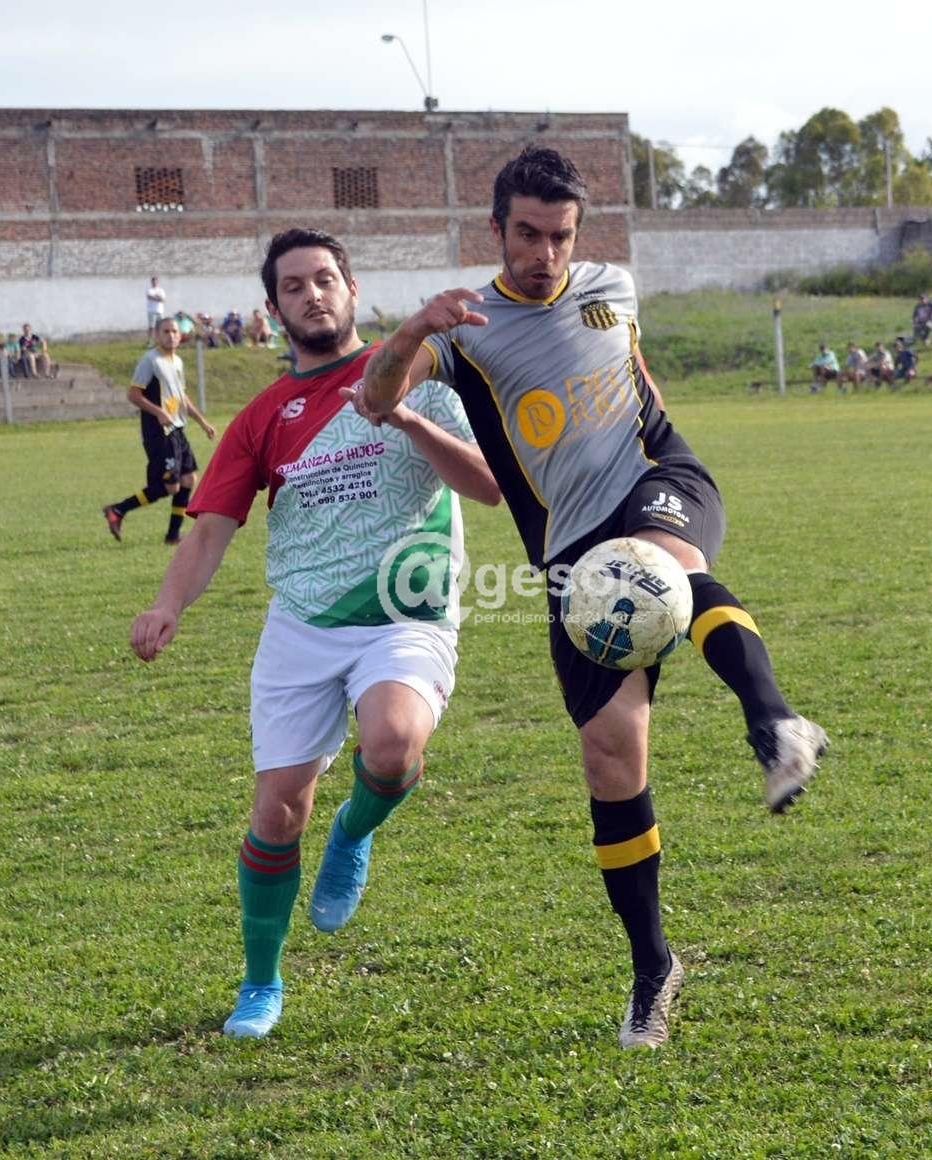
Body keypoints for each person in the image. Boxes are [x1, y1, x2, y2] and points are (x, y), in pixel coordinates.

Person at [348, 147, 828, 1051]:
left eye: (561, 234)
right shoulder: (463, 331)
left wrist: (670, 449)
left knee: (665, 568)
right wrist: (415, 327)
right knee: (614, 756)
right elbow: (375, 400)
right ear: (495, 229)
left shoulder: (614, 283)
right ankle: (654, 970)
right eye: (527, 234)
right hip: (569, 551)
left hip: (658, 476)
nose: (545, 252)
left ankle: (778, 724)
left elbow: (636, 374)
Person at [129, 227, 500, 1041]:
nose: (312, 294)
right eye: (293, 286)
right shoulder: (265, 415)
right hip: (301, 626)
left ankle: (354, 832)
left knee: (395, 745)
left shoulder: (425, 378)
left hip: (405, 614)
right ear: (273, 310)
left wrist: (400, 415)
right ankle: (261, 982)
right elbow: (210, 528)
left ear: (353, 290)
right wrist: (168, 606)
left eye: (326, 278)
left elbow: (488, 488)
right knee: (274, 813)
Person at [102, 317, 217, 545]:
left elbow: (181, 397)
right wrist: (158, 412)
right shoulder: (150, 361)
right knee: (168, 486)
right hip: (158, 432)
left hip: (176, 429)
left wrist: (202, 422)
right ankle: (117, 509)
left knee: (187, 479)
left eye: (174, 331)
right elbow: (133, 395)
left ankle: (172, 535)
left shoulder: (177, 362)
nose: (171, 335)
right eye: (166, 331)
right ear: (156, 335)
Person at [146, 276, 166, 342]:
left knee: (160, 326)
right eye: (153, 281)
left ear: (157, 282)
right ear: (151, 282)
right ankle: (149, 341)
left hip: (159, 311)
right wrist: (158, 297)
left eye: (155, 281)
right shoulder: (149, 290)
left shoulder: (161, 290)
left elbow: (163, 300)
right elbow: (149, 297)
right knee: (151, 326)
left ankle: (159, 340)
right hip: (151, 311)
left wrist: (155, 297)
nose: (154, 282)